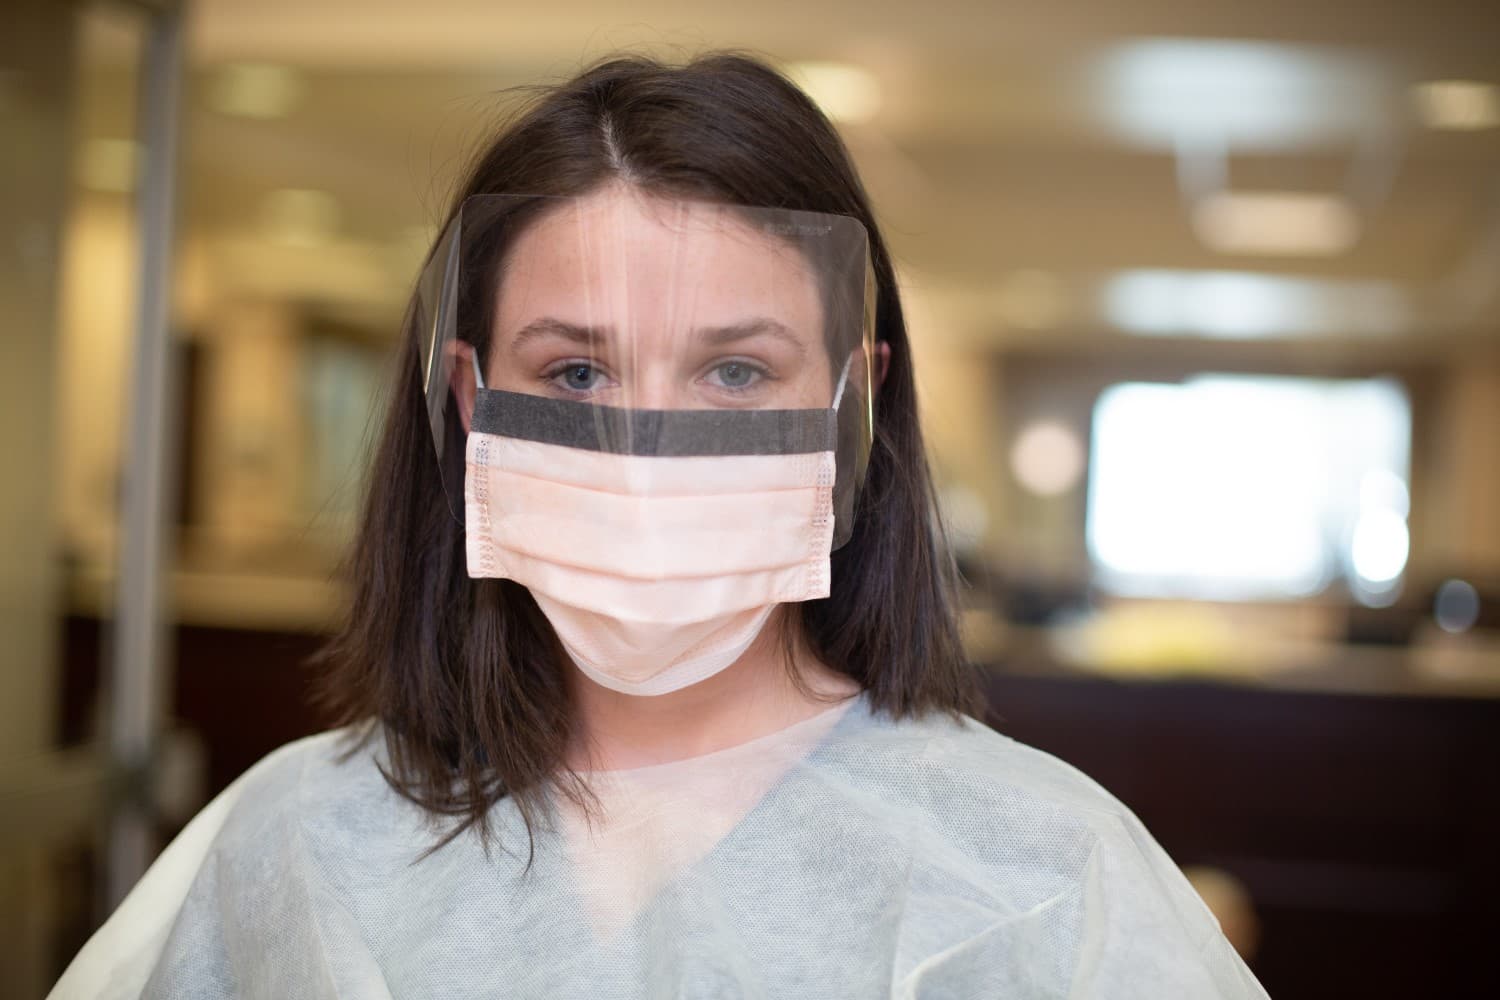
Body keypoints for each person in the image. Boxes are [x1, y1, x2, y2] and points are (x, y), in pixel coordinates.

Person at [50, 53, 1270, 999]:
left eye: (737, 373)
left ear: (855, 405)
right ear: (476, 403)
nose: (646, 452)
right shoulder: (298, 841)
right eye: (576, 373)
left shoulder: (1041, 869)